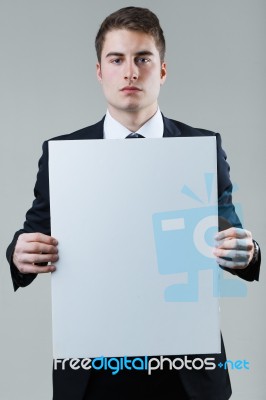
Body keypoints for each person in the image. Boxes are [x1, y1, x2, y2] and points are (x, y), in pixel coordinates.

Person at [6, 6, 260, 400]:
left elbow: (229, 234)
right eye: (117, 59)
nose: (130, 72)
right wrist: (18, 253)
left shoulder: (202, 147)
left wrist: (248, 252)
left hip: (185, 371)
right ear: (99, 71)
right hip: (95, 369)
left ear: (161, 70)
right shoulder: (63, 153)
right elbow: (34, 233)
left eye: (143, 58)